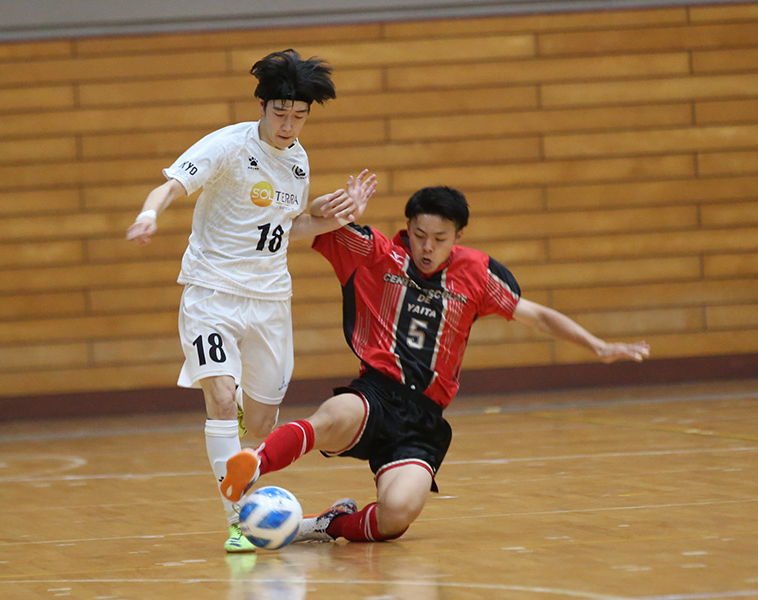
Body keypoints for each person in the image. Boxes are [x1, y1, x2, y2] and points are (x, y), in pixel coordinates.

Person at [221, 185, 651, 544]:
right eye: (419, 234)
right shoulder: (377, 252)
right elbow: (310, 222)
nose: (427, 247)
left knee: (396, 515)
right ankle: (254, 463)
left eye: (440, 238)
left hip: (424, 419)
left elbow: (536, 314)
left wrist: (598, 345)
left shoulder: (479, 275)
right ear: (408, 228)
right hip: (377, 392)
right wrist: (331, 208)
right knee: (336, 413)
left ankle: (327, 524)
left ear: (457, 235)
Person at [126, 49, 375, 553]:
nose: (289, 125)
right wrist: (149, 215)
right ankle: (237, 519)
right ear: (262, 106)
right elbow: (170, 186)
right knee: (220, 397)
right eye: (280, 113)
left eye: (299, 116)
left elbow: (288, 229)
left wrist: (335, 215)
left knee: (261, 425)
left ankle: (248, 486)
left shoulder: (299, 161)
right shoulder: (228, 146)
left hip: (269, 303)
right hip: (212, 294)